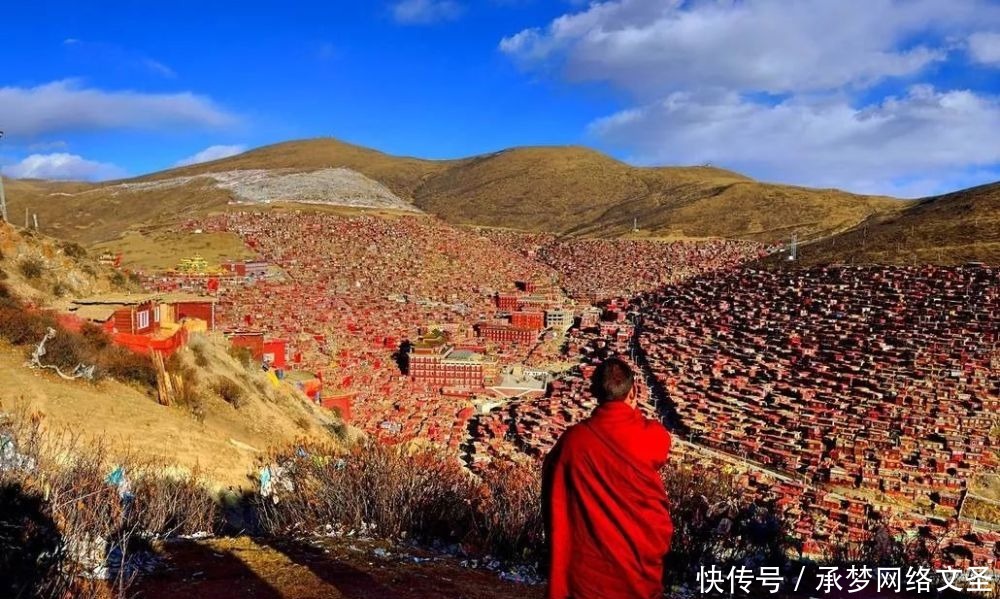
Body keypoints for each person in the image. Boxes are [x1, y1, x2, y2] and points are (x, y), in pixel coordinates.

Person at [542, 357, 673, 599]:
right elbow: (661, 447)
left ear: (595, 394)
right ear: (633, 391)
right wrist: (632, 411)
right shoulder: (651, 435)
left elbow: (554, 494)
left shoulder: (574, 441)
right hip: (638, 572)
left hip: (588, 575)